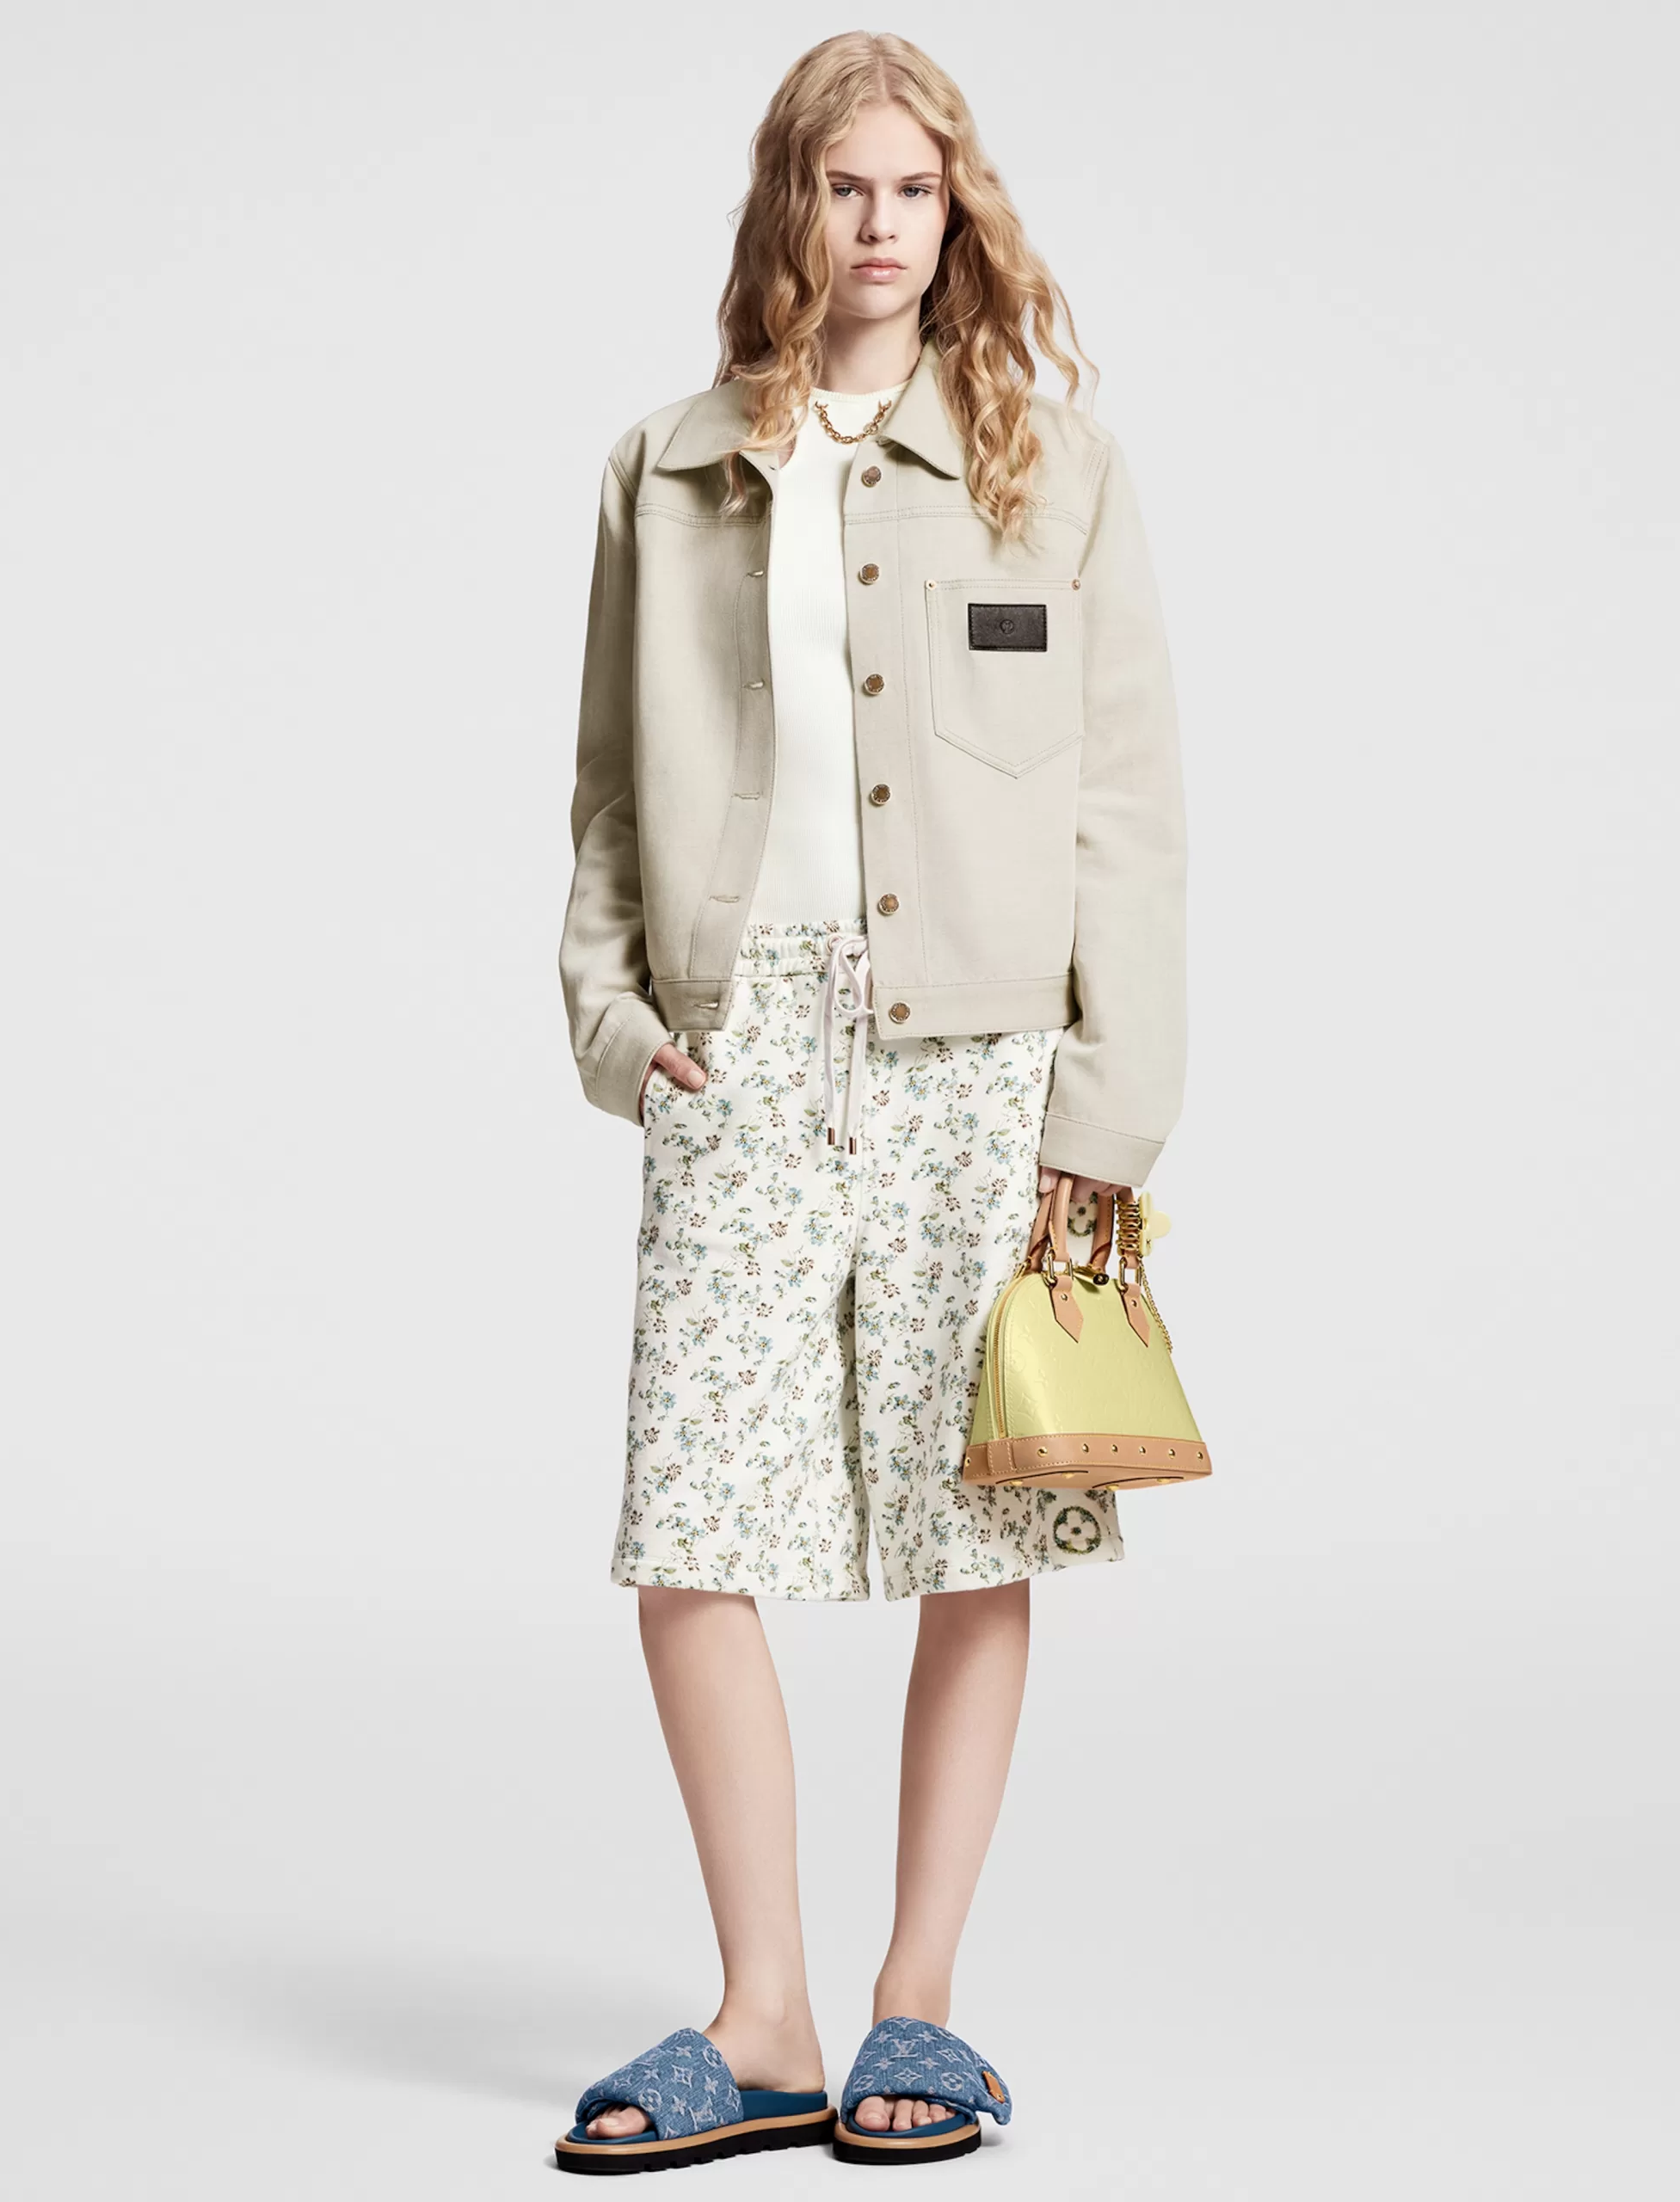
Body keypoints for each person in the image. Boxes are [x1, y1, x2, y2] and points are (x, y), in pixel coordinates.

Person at [551, 30, 1185, 2175]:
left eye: (916, 186)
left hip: (980, 1058)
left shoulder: (1048, 471)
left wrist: (1103, 1113)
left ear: (956, 207)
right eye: (846, 186)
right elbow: (608, 801)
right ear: (789, 206)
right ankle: (765, 2016)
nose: (883, 223)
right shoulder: (666, 471)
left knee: (970, 1520)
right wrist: (618, 1024)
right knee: (689, 1522)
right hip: (742, 1039)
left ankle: (920, 1998)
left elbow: (1127, 816)